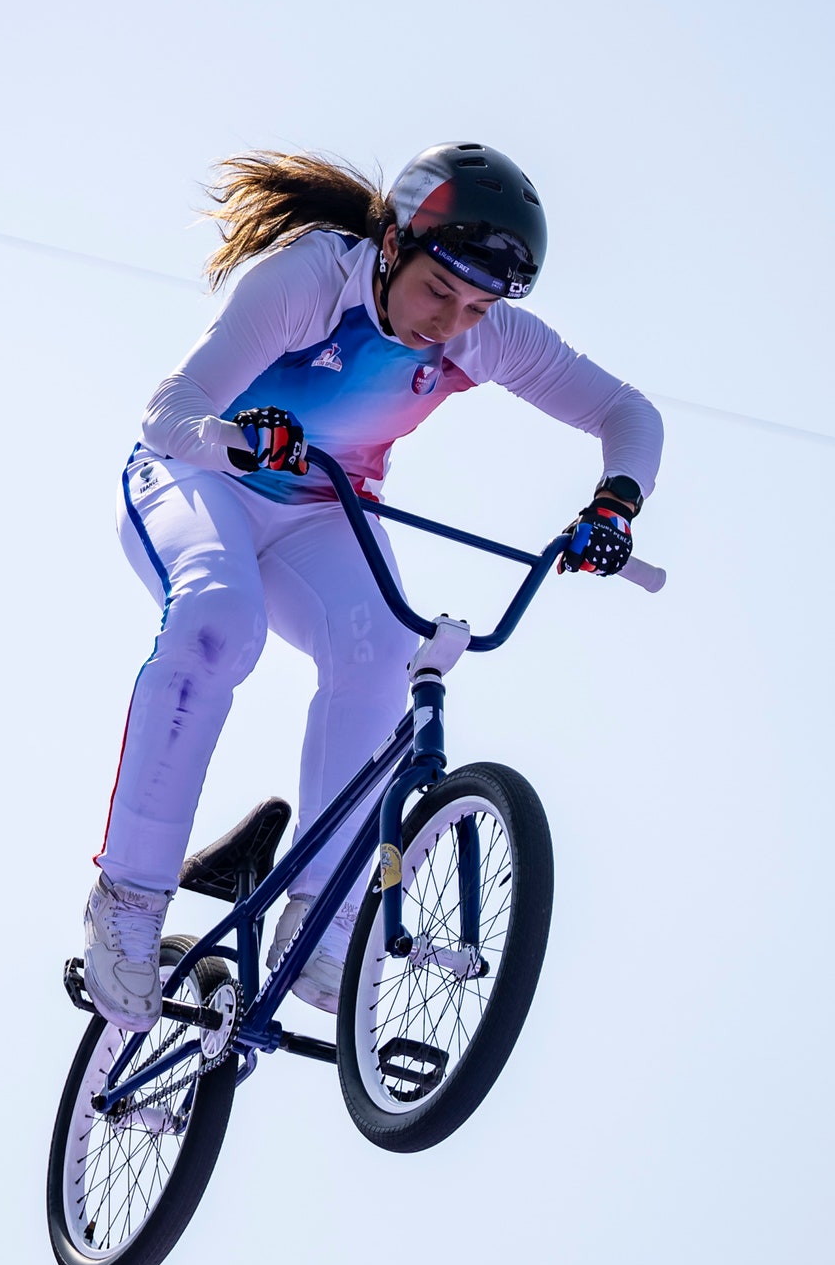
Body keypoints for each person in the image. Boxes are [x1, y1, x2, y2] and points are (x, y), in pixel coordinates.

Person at [82, 141, 664, 1034]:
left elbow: (628, 412)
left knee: (387, 652)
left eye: (477, 305)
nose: (451, 322)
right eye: (440, 290)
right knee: (216, 623)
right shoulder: (312, 279)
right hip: (197, 476)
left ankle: (322, 917)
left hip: (322, 511)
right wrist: (242, 440)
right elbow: (171, 411)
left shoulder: (482, 334)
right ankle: (128, 899)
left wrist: (615, 505)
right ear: (391, 245)